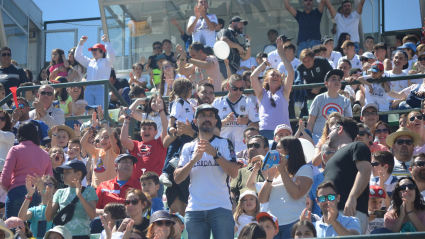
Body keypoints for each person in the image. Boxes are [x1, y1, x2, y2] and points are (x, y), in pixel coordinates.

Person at [174, 104, 238, 239]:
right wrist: (193, 160)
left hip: (221, 207)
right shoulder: (187, 147)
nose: (207, 118)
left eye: (211, 116)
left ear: (216, 121)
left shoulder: (225, 143)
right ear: (195, 121)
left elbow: (234, 173)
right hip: (195, 209)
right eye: (203, 115)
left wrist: (215, 154)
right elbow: (178, 178)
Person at [258, 137, 313, 239]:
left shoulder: (304, 169)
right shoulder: (277, 172)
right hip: (273, 226)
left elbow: (296, 194)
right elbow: (262, 199)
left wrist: (283, 171)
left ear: (289, 151)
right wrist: (270, 177)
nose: (275, 151)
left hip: (293, 223)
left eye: (278, 148)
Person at [324, 117, 372, 234]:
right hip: (331, 214)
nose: (327, 135)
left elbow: (364, 171)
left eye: (331, 130)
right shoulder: (333, 156)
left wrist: (352, 198)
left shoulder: (358, 146)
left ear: (340, 129)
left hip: (350, 212)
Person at [1, 122, 53, 219]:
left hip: (17, 193)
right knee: (34, 231)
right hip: (39, 194)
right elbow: (50, 180)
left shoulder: (15, 150)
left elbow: (5, 177)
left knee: (14, 230)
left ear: (19, 135)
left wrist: (12, 189)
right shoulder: (45, 154)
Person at [251, 38, 294, 140]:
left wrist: (280, 53)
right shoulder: (262, 93)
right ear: (266, 80)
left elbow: (291, 72)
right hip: (265, 130)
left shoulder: (285, 91)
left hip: (283, 131)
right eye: (272, 75)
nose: (275, 77)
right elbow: (253, 77)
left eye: (278, 76)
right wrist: (265, 63)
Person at [120, 93, 168, 181]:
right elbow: (123, 139)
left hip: (154, 182)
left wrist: (161, 110)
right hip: (136, 182)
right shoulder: (136, 144)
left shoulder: (160, 143)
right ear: (140, 132)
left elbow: (165, 128)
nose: (146, 130)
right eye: (144, 128)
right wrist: (126, 119)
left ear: (156, 132)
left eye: (150, 128)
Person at [45, 159, 98, 237]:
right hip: (63, 236)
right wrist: (49, 201)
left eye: (68, 172)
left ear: (79, 174)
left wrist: (80, 196)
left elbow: (92, 215)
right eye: (63, 173)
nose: (64, 175)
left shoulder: (89, 190)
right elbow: (49, 218)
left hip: (82, 236)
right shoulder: (60, 192)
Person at [213, 74, 259, 153]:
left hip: (242, 149)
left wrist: (248, 122)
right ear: (228, 86)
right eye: (235, 88)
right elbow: (211, 127)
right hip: (222, 149)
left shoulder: (248, 102)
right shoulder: (217, 103)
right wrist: (224, 121)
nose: (238, 92)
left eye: (241, 89)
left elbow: (257, 127)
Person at [306, 69, 352, 144]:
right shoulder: (319, 98)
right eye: (333, 79)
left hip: (338, 138)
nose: (337, 81)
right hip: (319, 136)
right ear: (326, 83)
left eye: (339, 79)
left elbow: (348, 123)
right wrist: (308, 139)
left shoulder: (345, 101)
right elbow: (311, 121)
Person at [81, 106, 121, 188]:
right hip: (95, 189)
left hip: (108, 189)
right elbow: (83, 142)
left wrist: (102, 120)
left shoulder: (114, 151)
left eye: (106, 137)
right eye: (101, 137)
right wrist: (92, 127)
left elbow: (111, 134)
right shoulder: (96, 151)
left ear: (115, 140)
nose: (103, 140)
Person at [74, 35, 116, 110]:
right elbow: (77, 56)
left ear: (102, 51)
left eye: (95, 49)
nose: (93, 51)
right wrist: (81, 43)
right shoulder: (90, 62)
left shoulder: (107, 61)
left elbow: (112, 54)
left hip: (102, 88)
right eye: (92, 50)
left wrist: (106, 42)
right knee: (89, 111)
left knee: (101, 112)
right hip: (89, 88)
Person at [232, 135, 268, 203]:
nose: (252, 148)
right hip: (243, 212)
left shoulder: (273, 171)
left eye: (256, 145)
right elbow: (232, 192)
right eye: (249, 146)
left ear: (266, 150)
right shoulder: (240, 172)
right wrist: (233, 204)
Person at [308, 143, 336, 216]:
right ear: (324, 156)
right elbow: (309, 208)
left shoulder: (348, 178)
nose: (338, 156)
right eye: (333, 154)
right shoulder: (313, 181)